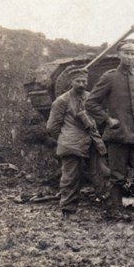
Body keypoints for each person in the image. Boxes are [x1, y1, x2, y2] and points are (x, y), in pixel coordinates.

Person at [85, 41, 134, 228]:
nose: (130, 57)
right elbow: (91, 103)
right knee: (117, 176)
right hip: (118, 136)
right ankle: (115, 212)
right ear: (119, 54)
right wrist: (108, 120)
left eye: (133, 53)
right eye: (126, 53)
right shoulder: (109, 77)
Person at [46, 68, 108, 219]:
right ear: (71, 82)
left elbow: (100, 118)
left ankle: (110, 208)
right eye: (78, 81)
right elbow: (52, 127)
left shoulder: (90, 98)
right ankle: (69, 210)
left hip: (92, 141)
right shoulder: (62, 101)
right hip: (72, 144)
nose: (81, 84)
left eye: (84, 81)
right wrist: (66, 138)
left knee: (103, 174)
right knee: (71, 177)